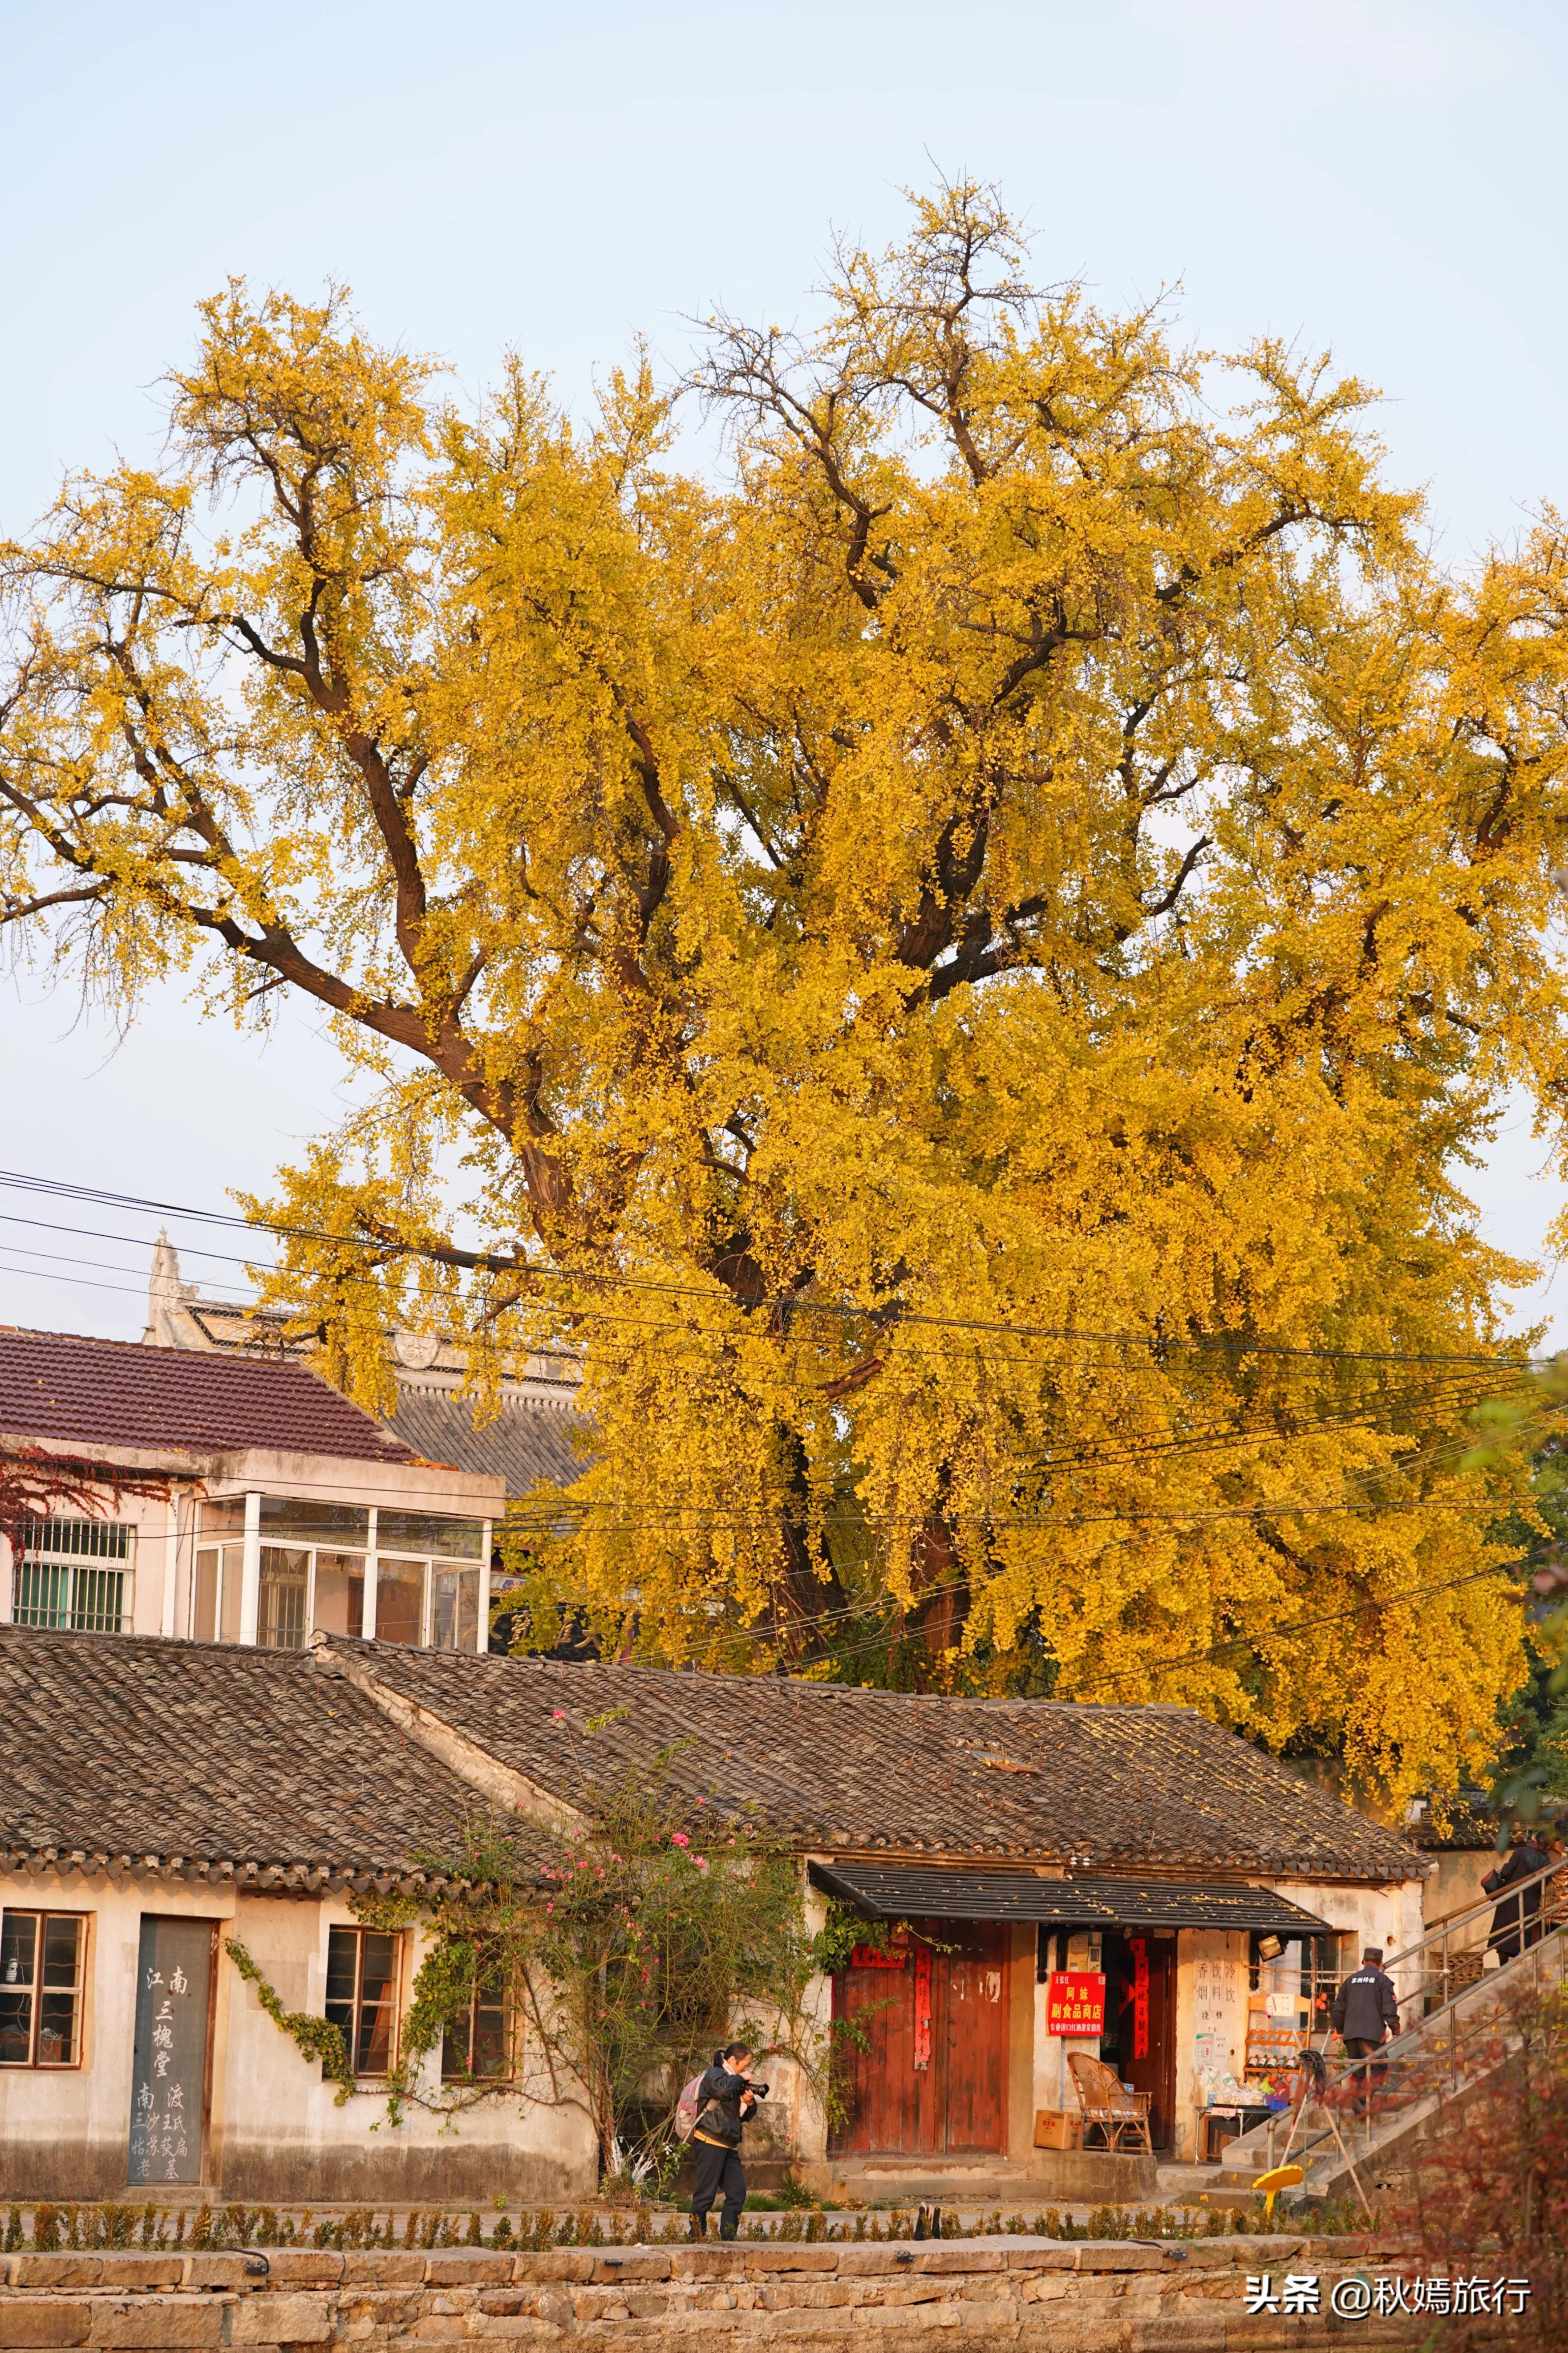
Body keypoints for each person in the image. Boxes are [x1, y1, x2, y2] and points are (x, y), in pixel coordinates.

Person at [689, 2041, 758, 2239]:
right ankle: (696, 2236)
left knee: (737, 2193)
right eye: (745, 2065)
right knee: (705, 2196)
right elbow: (720, 2091)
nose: (747, 2069)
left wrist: (750, 2103)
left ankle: (728, 2237)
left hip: (729, 2144)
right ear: (733, 2060)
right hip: (710, 2141)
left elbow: (742, 2117)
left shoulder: (733, 2080)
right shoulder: (715, 2075)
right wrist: (740, 2078)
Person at [1330, 1946, 1400, 2110]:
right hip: (1372, 2034)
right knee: (1380, 2067)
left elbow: (1339, 2009)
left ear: (1363, 1961)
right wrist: (1396, 2029)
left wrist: (1340, 2029)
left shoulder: (1350, 1981)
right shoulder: (1383, 1981)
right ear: (1381, 1963)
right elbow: (1389, 2009)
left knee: (1359, 2070)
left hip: (1351, 2034)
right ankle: (1362, 2098)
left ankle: (1358, 2105)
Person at [1482, 1828, 1556, 1962]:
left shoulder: (1521, 1852)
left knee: (1504, 1936)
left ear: (1534, 1840)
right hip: (1530, 1903)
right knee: (1522, 1935)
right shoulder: (1547, 1863)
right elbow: (1545, 1884)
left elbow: (1506, 1873)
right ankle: (1518, 1962)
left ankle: (1503, 1966)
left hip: (1511, 1900)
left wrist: (1503, 1870)